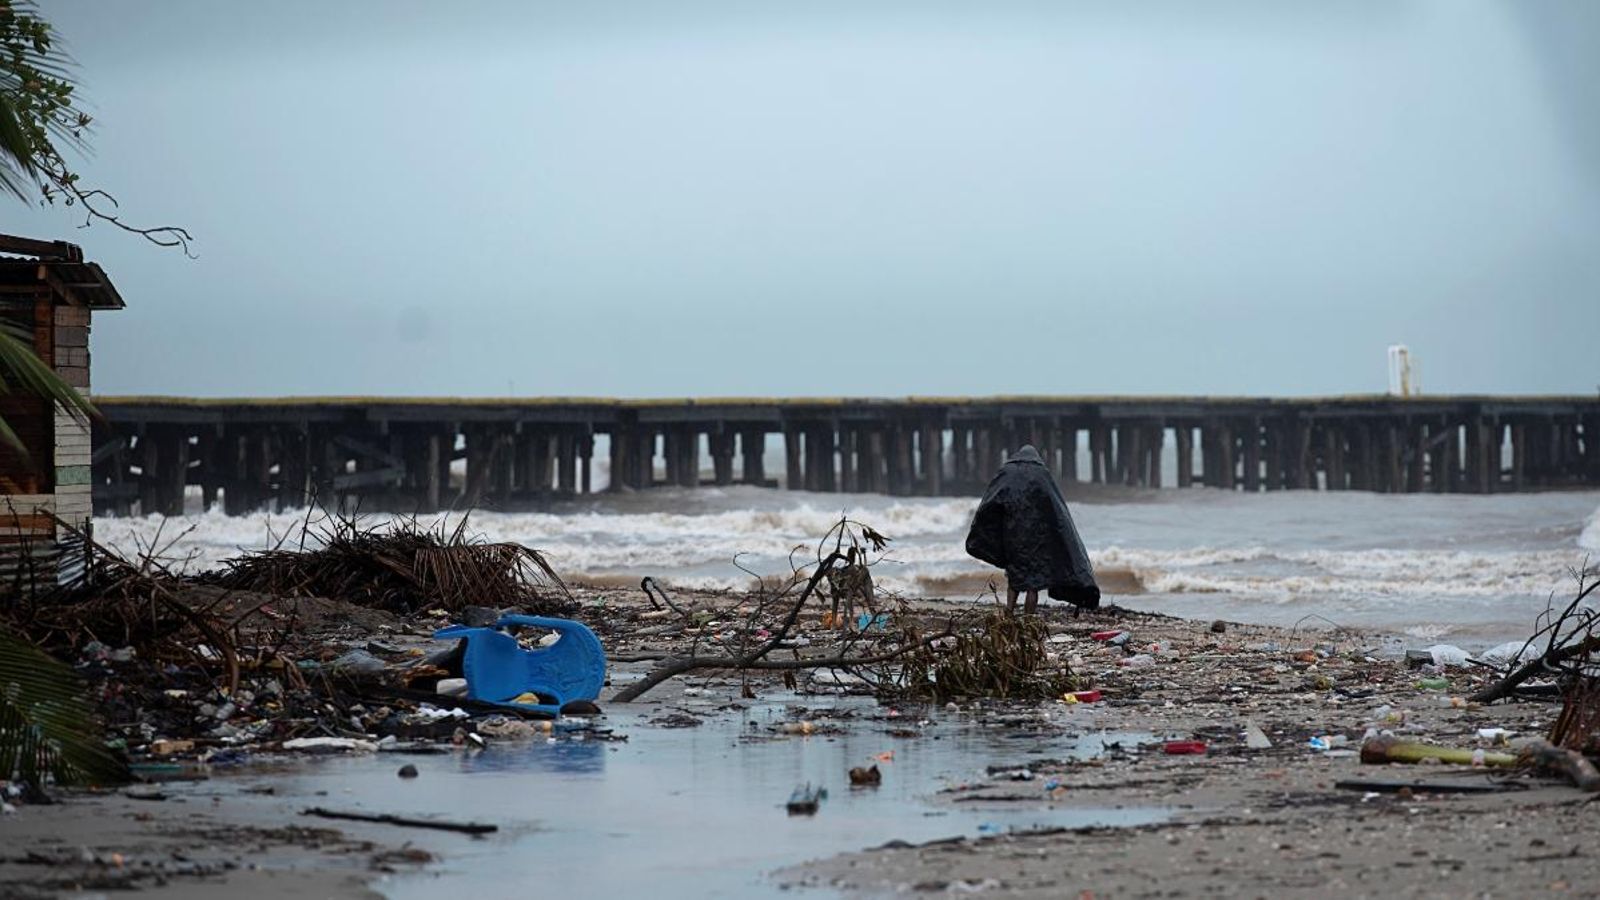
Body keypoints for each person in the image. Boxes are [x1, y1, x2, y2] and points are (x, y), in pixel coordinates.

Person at [964, 445, 1100, 615]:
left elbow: (992, 499)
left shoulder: (1007, 472)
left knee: (1014, 579)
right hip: (1036, 540)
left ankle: (1009, 614)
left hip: (1012, 535)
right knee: (1033, 584)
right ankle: (1028, 620)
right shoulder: (1041, 475)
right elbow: (1056, 509)